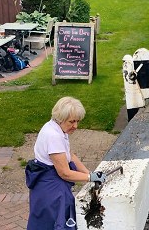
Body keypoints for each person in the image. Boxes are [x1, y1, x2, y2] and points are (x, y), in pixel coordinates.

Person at [26, 97, 106, 230]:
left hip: (45, 184)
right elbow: (64, 173)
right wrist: (89, 178)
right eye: (72, 122)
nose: (76, 126)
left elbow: (70, 156)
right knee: (60, 220)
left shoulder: (57, 127)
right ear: (61, 118)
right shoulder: (53, 136)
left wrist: (89, 173)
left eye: (77, 121)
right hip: (51, 189)